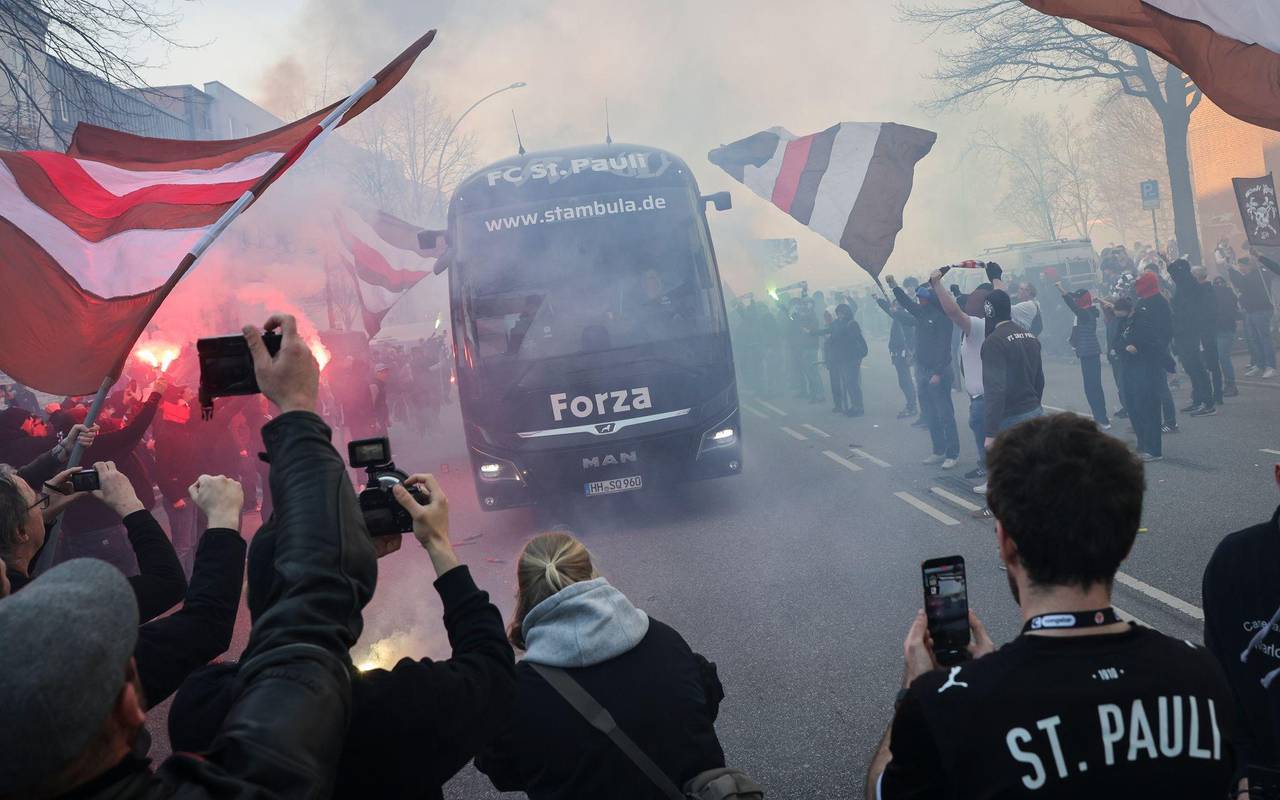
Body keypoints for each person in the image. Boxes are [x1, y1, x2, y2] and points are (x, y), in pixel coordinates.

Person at [0, 313, 378, 799]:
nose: (40, 496)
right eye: (32, 497)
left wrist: (45, 499)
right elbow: (299, 635)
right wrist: (298, 411)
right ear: (130, 702)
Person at [867, 413, 1237, 798]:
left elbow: (883, 791)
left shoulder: (945, 706)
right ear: (1126, 545)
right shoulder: (1202, 674)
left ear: (1006, 543)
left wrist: (914, 690)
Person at [168, 472, 518, 800]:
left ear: (250, 595)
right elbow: (492, 666)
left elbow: (203, 620)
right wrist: (438, 542)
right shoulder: (394, 707)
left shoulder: (200, 706)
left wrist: (223, 526)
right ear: (356, 601)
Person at [476, 532, 727, 798]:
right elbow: (707, 700)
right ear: (591, 575)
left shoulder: (518, 691)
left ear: (524, 594)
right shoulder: (664, 638)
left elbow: (500, 769)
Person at [0, 459, 188, 624]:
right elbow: (168, 583)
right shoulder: (50, 605)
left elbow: (14, 569)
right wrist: (131, 507)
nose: (42, 501)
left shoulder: (10, 589)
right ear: (20, 532)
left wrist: (45, 513)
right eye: (36, 499)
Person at [1203, 460, 1280, 798]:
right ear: (1279, 475)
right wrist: (1241, 770)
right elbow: (1221, 677)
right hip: (1262, 774)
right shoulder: (1235, 560)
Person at [929, 264, 1002, 482]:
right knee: (992, 441)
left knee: (988, 441)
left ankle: (994, 481)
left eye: (972, 302)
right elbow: (1002, 298)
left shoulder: (979, 325)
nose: (967, 305)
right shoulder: (1000, 320)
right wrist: (997, 278)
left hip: (985, 397)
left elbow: (952, 312)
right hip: (990, 394)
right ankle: (990, 472)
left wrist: (936, 284)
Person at [888, 275, 960, 469]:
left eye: (922, 296)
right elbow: (906, 303)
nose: (919, 300)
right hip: (922, 370)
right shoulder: (921, 312)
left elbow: (944, 348)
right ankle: (938, 451)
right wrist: (894, 286)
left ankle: (952, 454)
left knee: (945, 414)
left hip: (939, 372)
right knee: (930, 413)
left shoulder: (943, 318)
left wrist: (937, 373)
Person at [979, 290, 1045, 464]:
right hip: (1034, 411)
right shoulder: (1030, 336)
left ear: (989, 311)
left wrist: (991, 432)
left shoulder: (994, 342)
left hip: (1011, 417)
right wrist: (1035, 405)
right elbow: (1040, 380)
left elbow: (995, 388)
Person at [1119, 271, 1174, 462]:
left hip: (1149, 361)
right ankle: (1143, 444)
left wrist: (1141, 347)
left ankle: (1153, 449)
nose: (1136, 286)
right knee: (1137, 404)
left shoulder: (1158, 304)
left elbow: (1160, 335)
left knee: (1150, 405)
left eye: (1140, 283)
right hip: (1136, 362)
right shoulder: (1143, 303)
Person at [1167, 259, 1218, 416]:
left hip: (1190, 332)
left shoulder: (1192, 286)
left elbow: (1180, 274)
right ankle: (1198, 400)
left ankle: (1208, 403)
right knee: (1190, 368)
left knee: (1197, 368)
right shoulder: (1183, 287)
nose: (1173, 277)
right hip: (1182, 333)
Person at [1055, 282, 1110, 428]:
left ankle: (1102, 419)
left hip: (1090, 353)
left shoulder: (1085, 313)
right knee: (1091, 387)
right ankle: (1100, 417)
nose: (1075, 300)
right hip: (1088, 353)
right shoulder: (1088, 312)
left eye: (1077, 298)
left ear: (1082, 300)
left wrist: (1061, 289)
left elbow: (1071, 305)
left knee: (1093, 387)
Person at [810, 302, 868, 416]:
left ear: (847, 313)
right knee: (847, 384)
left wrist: (838, 339)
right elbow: (827, 331)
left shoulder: (852, 324)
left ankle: (859, 408)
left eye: (843, 313)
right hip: (842, 359)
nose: (841, 315)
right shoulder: (837, 323)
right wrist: (812, 333)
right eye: (839, 313)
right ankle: (853, 407)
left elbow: (855, 340)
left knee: (853, 384)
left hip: (852, 358)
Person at [1230, 255, 1276, 378]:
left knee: (1264, 339)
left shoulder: (1262, 274)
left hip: (1261, 310)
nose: (1241, 268)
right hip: (1250, 311)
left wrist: (1232, 271)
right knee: (1254, 339)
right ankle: (1260, 364)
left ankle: (1270, 366)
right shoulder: (1248, 276)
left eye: (1243, 265)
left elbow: (1243, 284)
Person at [874, 293, 918, 419]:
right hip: (898, 353)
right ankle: (911, 405)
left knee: (906, 381)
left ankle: (912, 406)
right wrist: (879, 300)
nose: (892, 308)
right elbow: (888, 309)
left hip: (903, 353)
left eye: (895, 305)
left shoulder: (904, 316)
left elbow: (893, 311)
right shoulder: (899, 316)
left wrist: (893, 309)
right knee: (903, 381)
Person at [1212, 276, 1242, 397]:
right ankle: (1228, 385)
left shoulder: (1227, 295)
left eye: (1220, 282)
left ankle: (1231, 385)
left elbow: (1230, 311)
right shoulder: (1228, 294)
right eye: (1216, 283)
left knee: (1224, 357)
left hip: (1225, 329)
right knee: (1222, 358)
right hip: (1221, 329)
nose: (1218, 284)